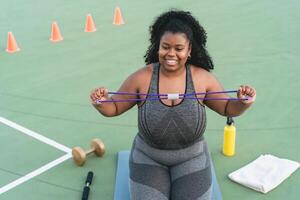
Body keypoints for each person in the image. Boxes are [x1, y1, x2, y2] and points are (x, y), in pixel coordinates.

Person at [90, 10, 256, 200]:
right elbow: (115, 107)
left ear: (189, 50)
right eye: (165, 47)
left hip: (192, 157)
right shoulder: (142, 78)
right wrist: (100, 103)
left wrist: (243, 102)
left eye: (179, 48)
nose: (171, 53)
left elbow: (227, 107)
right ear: (157, 47)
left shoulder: (201, 78)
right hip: (148, 156)